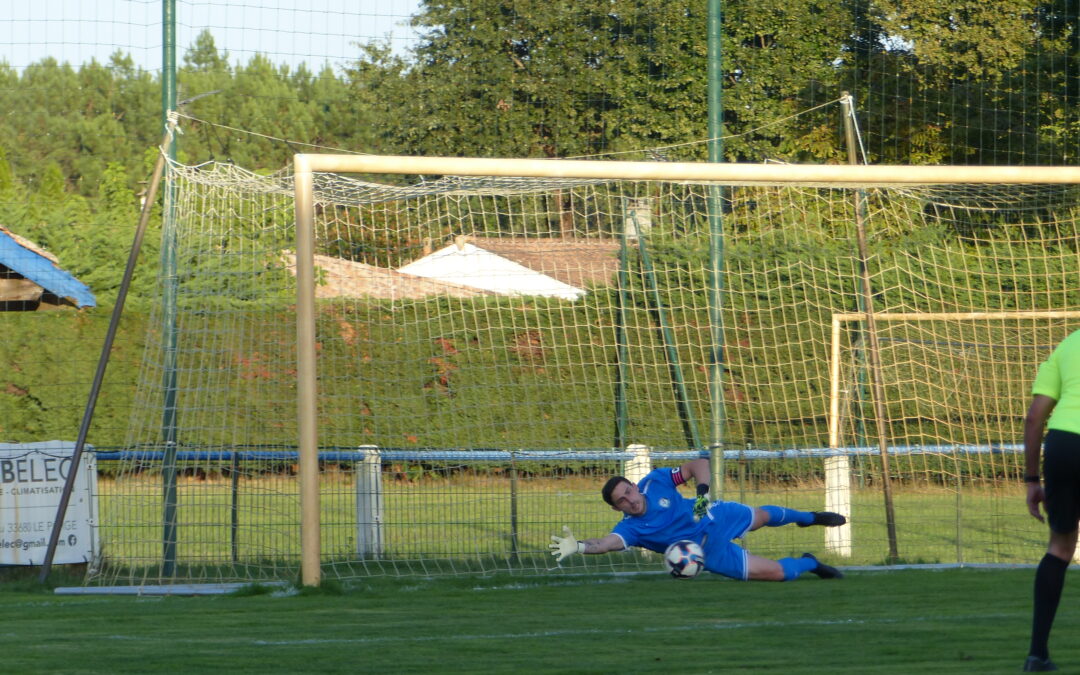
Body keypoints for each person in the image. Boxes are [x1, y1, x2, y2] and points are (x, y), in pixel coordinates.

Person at [549, 457, 846, 582]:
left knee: (761, 516)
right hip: (707, 553)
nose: (630, 500)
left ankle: (809, 517)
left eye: (629, 491)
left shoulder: (655, 482)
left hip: (714, 516)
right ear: (617, 509)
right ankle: (811, 563)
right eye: (622, 501)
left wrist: (702, 495)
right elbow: (605, 543)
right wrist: (579, 547)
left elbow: (698, 465)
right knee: (778, 574)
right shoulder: (630, 529)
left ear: (635, 486)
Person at [1022, 329, 1080, 672]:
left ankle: (1037, 654)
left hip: (1063, 447)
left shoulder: (1069, 345)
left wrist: (1031, 480)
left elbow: (1034, 417)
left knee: (1059, 549)